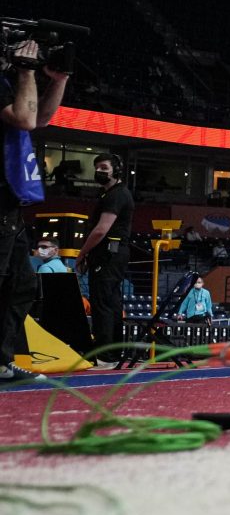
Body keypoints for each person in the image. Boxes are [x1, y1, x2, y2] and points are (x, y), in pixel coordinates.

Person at [0, 38, 68, 384]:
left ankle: (1, 361)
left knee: (22, 284)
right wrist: (27, 71)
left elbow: (40, 117)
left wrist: (59, 80)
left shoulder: (7, 82)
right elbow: (25, 120)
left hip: (9, 203)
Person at [74, 154, 133, 364]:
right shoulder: (110, 194)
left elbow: (101, 230)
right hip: (111, 254)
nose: (99, 171)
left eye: (104, 167)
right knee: (111, 303)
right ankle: (112, 354)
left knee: (102, 304)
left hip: (108, 255)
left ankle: (105, 356)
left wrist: (82, 253)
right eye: (97, 167)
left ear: (116, 170)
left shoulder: (116, 195)